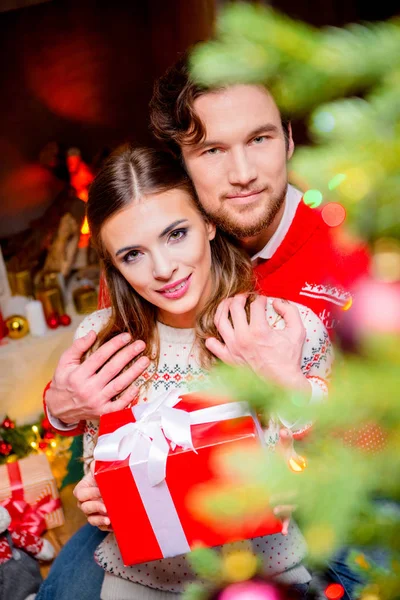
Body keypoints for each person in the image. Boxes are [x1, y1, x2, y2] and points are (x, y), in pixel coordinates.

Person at [37, 145, 333, 600]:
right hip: (139, 581)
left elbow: (347, 446)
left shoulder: (280, 326)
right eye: (132, 254)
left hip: (262, 578)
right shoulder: (101, 339)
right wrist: (99, 496)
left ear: (209, 223)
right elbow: (98, 458)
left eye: (176, 233)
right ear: (112, 264)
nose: (163, 269)